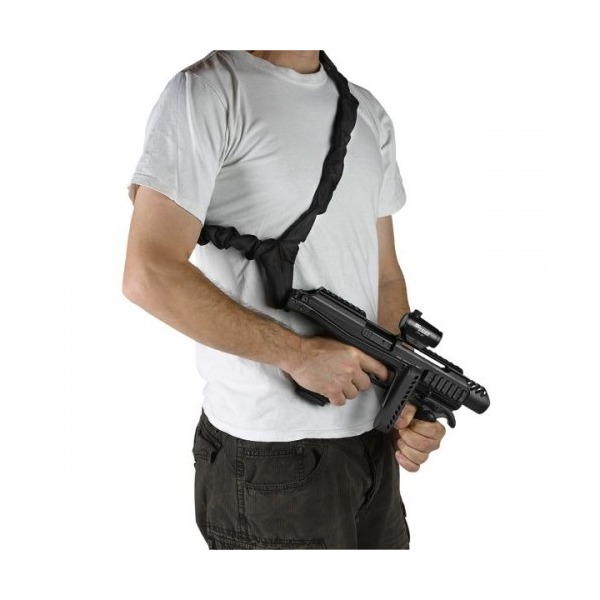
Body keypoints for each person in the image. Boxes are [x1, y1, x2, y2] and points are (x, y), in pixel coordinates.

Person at [123, 50, 446, 549]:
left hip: (371, 449)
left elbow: (384, 277)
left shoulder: (366, 111)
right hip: (271, 458)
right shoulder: (208, 92)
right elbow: (149, 273)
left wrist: (406, 397)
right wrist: (296, 354)